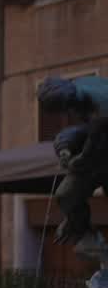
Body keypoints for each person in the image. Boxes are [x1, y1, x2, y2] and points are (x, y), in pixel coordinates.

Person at [38, 76, 108, 258]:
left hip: (101, 149)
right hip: (98, 145)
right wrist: (64, 151)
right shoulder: (77, 92)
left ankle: (81, 231)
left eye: (63, 107)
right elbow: (88, 131)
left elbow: (93, 143)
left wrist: (79, 161)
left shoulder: (101, 101)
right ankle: (84, 232)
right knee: (65, 195)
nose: (66, 113)